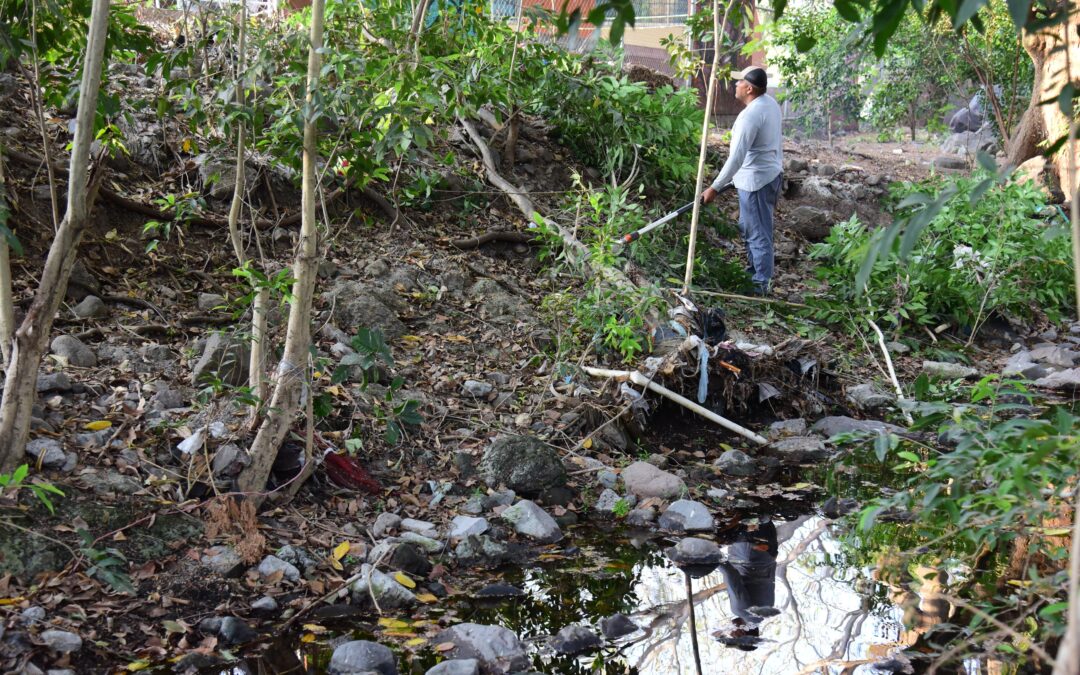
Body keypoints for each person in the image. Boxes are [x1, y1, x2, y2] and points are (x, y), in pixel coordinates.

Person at [701, 66, 783, 297]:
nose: (735, 85)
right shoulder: (770, 104)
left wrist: (715, 187)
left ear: (749, 88)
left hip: (756, 182)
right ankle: (753, 276)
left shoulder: (750, 116)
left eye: (739, 82)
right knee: (752, 229)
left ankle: (760, 287)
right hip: (768, 176)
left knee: (758, 234)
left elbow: (736, 158)